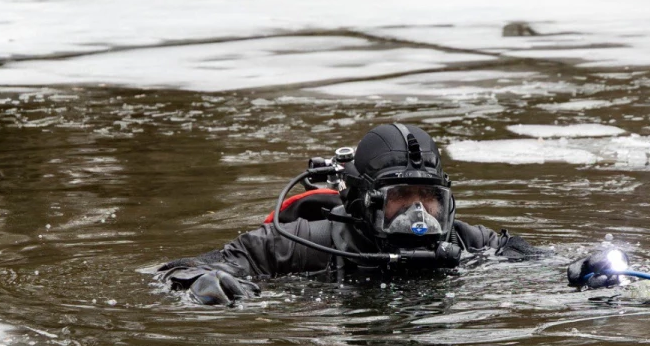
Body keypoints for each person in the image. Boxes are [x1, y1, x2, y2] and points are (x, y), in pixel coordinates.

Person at [159, 123, 542, 304]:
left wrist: (591, 272)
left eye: (428, 197)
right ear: (364, 200)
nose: (418, 212)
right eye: (401, 197)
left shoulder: (467, 241)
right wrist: (202, 282)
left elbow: (542, 266)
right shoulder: (303, 243)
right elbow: (178, 268)